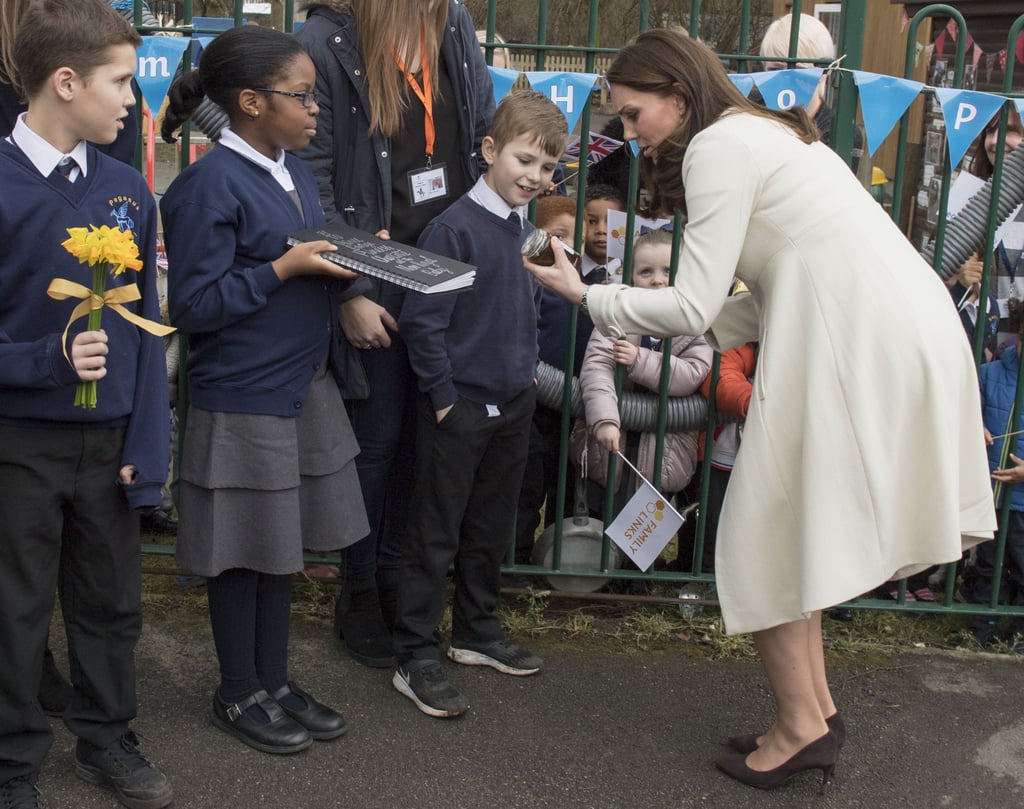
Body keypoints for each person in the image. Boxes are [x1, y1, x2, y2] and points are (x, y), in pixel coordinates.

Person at [523, 27, 995, 790]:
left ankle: (803, 725)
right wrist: (667, 314)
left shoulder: (718, 148)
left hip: (855, 337)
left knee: (761, 532)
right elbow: (755, 295)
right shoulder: (766, 133)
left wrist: (586, 295)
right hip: (885, 325)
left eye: (635, 114)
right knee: (789, 527)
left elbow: (692, 300)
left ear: (677, 96)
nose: (631, 136)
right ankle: (810, 714)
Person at [159, 25, 368, 755]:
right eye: (303, 97)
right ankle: (237, 688)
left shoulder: (292, 170)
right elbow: (191, 305)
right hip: (243, 395)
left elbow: (305, 249)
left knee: (279, 548)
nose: (317, 110)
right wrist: (282, 271)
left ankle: (274, 680)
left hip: (297, 388)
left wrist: (345, 267)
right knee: (239, 554)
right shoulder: (207, 185)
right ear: (250, 102)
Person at [0, 1, 173, 807]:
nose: (134, 100)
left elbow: (143, 330)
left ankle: (108, 737)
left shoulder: (127, 189)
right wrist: (46, 358)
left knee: (110, 605)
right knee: (16, 610)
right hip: (18, 444)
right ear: (65, 83)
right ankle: (13, 762)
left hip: (108, 446)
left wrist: (148, 441)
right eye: (122, 82)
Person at [294, 0, 494, 668]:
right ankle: (357, 593)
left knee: (424, 439)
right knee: (374, 445)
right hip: (374, 274)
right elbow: (310, 176)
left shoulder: (455, 27)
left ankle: (397, 584)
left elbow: (479, 137)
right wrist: (350, 288)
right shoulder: (325, 40)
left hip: (446, 275)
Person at [393, 90, 569, 718]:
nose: (534, 177)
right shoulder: (452, 228)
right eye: (525, 160)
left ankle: (476, 630)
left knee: (490, 527)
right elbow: (424, 322)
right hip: (460, 406)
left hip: (513, 402)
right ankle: (415, 652)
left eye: (548, 169)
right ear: (491, 151)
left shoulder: (524, 230)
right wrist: (443, 401)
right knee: (435, 530)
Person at [571, 228, 712, 515]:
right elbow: (596, 369)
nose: (658, 280)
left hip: (666, 451)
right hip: (611, 445)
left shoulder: (696, 324)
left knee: (643, 538)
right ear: (631, 277)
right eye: (646, 272)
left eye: (668, 270)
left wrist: (639, 360)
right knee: (599, 522)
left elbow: (692, 374)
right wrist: (604, 420)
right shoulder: (614, 316)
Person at [515, 194, 580, 567]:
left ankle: (563, 561)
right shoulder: (528, 284)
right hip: (532, 401)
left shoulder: (592, 287)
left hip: (574, 407)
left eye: (576, 235)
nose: (567, 245)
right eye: (557, 235)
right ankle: (517, 558)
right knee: (525, 486)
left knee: (569, 486)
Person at [961, 302, 1024, 647]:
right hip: (989, 488)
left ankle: (1017, 630)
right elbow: (970, 413)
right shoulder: (990, 373)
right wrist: (978, 428)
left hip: (1022, 496)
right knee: (987, 561)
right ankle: (981, 627)